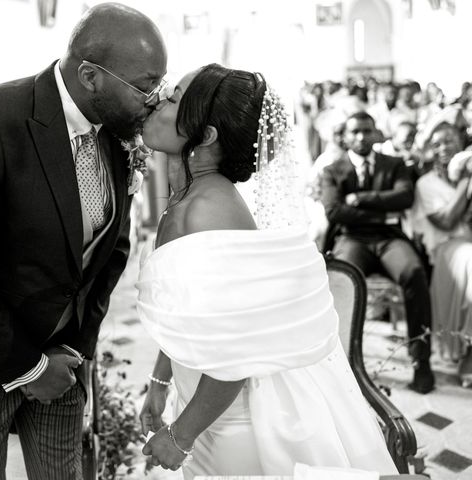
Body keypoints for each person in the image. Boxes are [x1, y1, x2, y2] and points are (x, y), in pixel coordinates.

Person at [0, 4, 167, 479]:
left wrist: (75, 351)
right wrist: (27, 368)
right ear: (90, 76)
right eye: (146, 87)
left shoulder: (116, 134)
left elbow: (111, 254)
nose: (154, 100)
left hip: (61, 360)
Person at [136, 64, 397, 477]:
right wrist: (160, 381)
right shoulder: (187, 198)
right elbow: (187, 315)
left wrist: (181, 434)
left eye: (172, 99)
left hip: (232, 421)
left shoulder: (207, 212)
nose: (156, 102)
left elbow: (238, 351)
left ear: (204, 137)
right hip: (200, 397)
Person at [320, 110, 435, 394]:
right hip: (352, 239)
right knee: (341, 281)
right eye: (355, 131)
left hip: (389, 239)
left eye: (367, 130)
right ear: (346, 137)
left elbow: (405, 197)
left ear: (376, 133)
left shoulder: (394, 164)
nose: (361, 136)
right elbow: (335, 211)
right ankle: (341, 360)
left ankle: (422, 360)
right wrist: (382, 214)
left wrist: (361, 199)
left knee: (414, 272)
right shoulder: (332, 170)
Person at [411, 122, 472, 388]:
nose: (444, 147)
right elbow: (446, 221)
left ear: (461, 143)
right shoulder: (426, 184)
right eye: (437, 144)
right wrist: (467, 180)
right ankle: (470, 352)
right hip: (450, 249)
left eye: (449, 141)